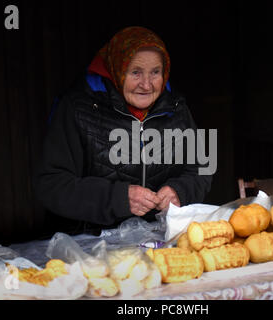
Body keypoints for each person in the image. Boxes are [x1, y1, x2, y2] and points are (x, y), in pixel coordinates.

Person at [34, 26, 212, 235]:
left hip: (159, 238)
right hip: (88, 244)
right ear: (116, 69)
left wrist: (180, 191)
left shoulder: (176, 108)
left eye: (155, 72)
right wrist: (117, 199)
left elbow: (201, 168)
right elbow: (51, 184)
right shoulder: (78, 108)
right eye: (136, 72)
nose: (146, 85)